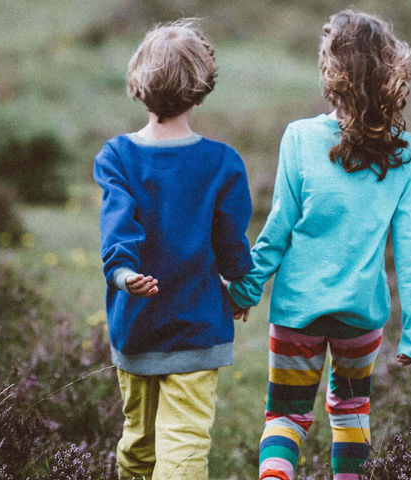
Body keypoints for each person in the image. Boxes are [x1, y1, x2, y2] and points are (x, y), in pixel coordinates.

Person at [227, 10, 411, 480]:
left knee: (286, 416)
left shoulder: (299, 138)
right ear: (389, 73)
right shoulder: (407, 153)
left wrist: (246, 289)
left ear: (330, 73)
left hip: (298, 308)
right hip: (361, 315)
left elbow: (278, 228)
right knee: (350, 412)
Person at [93, 19, 253, 480]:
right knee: (183, 446)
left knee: (137, 446)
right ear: (202, 88)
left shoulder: (117, 156)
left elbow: (117, 228)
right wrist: (239, 286)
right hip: (199, 326)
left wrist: (123, 276)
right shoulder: (223, 161)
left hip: (135, 325)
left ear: (138, 84)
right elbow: (231, 246)